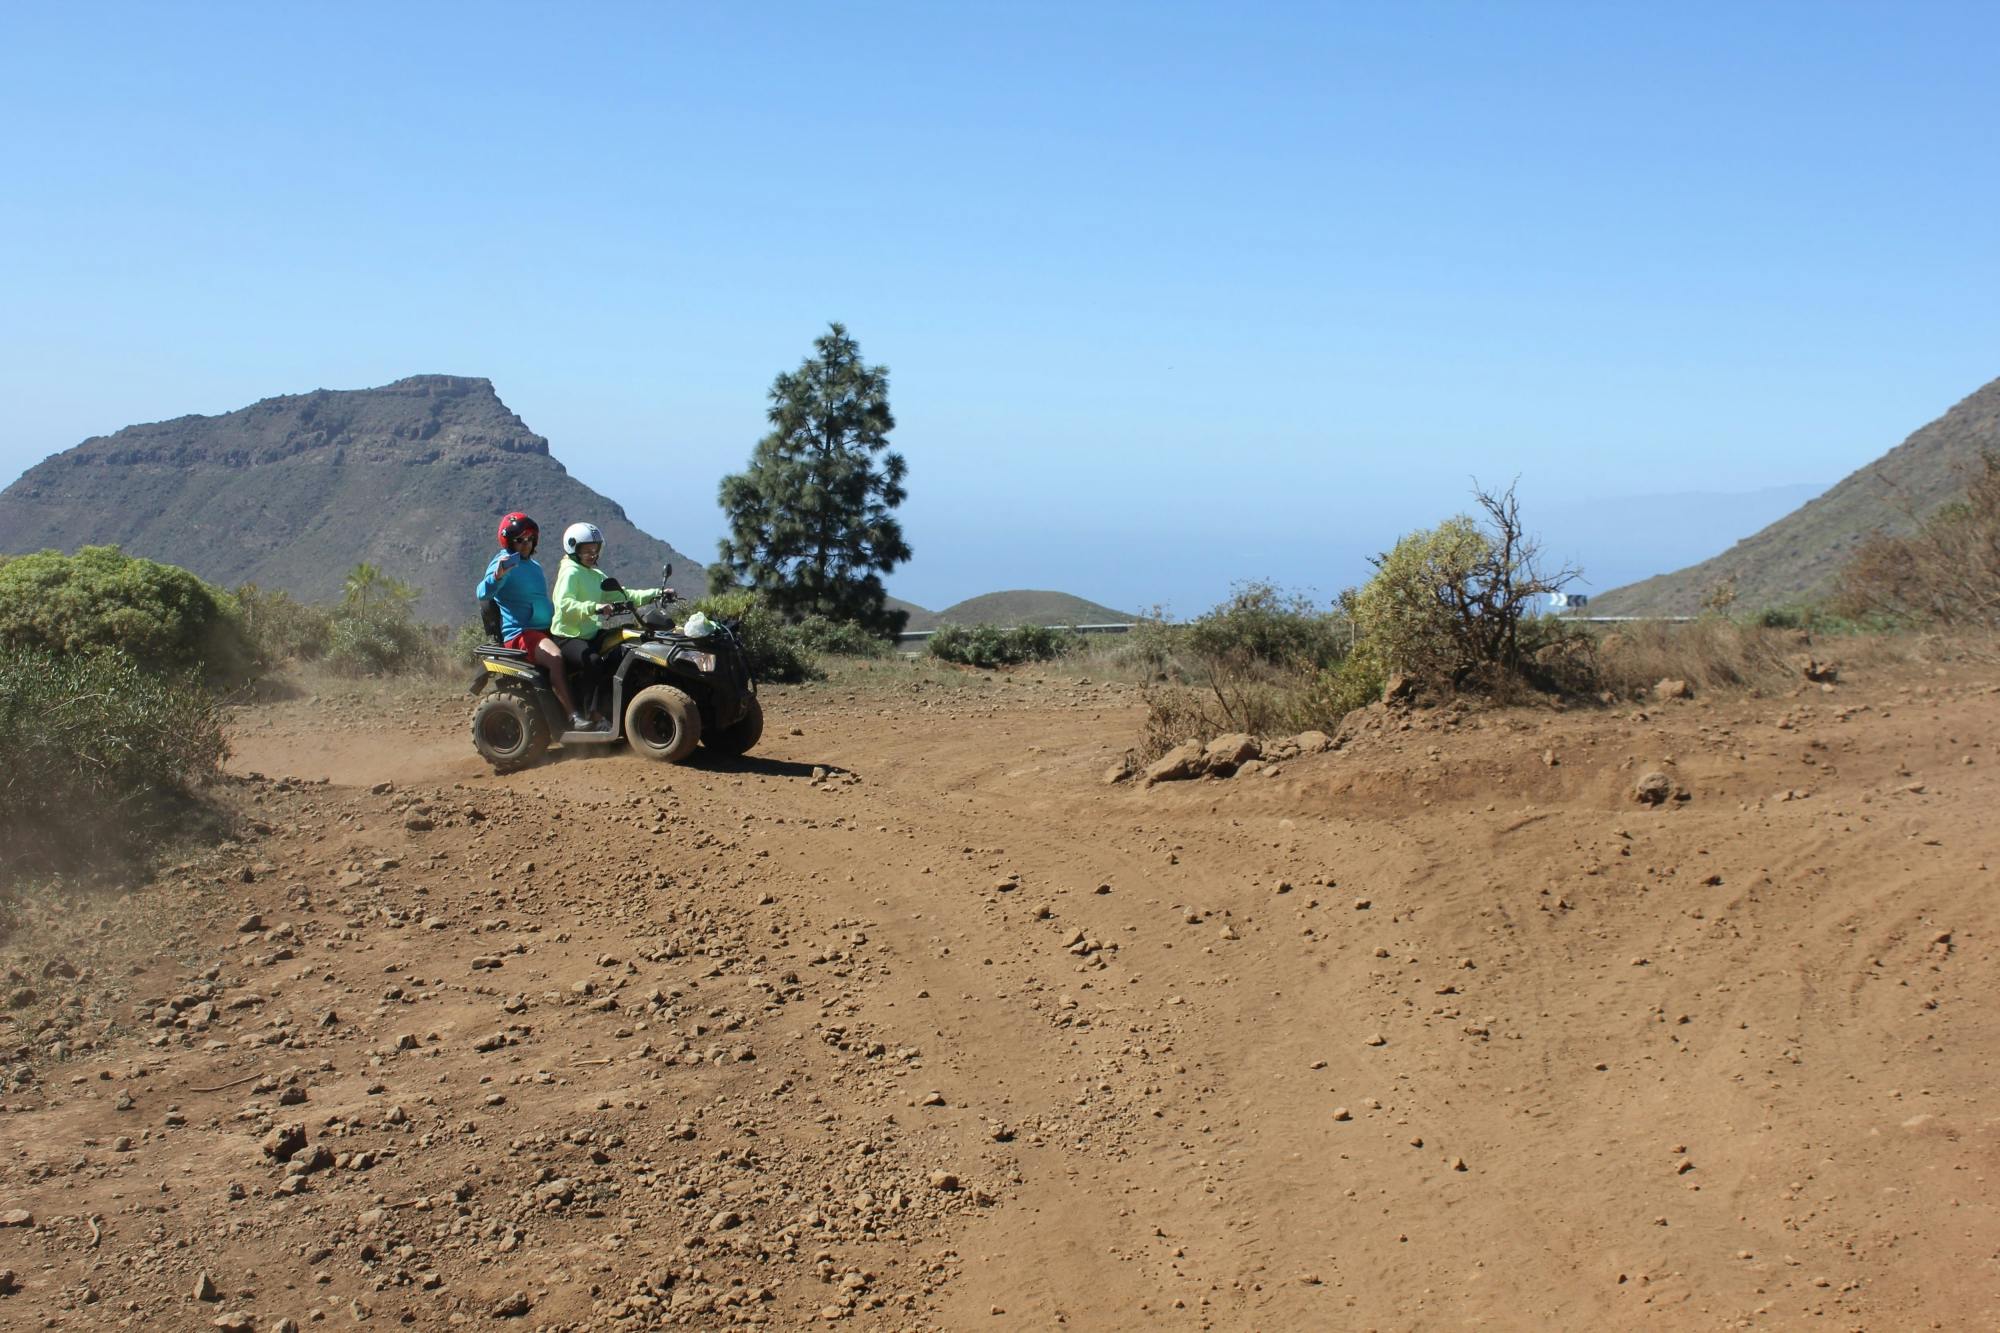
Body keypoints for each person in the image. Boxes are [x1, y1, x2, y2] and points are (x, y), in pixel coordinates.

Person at [476, 511, 593, 732]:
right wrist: (497, 576)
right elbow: (483, 592)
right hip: (521, 634)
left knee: (585, 652)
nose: (526, 544)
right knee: (556, 658)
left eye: (530, 539)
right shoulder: (504, 563)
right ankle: (573, 717)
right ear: (509, 541)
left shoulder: (534, 566)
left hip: (545, 630)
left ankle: (593, 709)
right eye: (519, 540)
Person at [551, 522, 665, 719]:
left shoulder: (595, 574)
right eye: (587, 550)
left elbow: (623, 594)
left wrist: (657, 593)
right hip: (567, 636)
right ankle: (591, 715)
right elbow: (564, 604)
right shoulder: (570, 572)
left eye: (595, 550)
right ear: (573, 549)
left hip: (591, 634)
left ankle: (614, 706)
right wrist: (593, 607)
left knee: (625, 645)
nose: (592, 554)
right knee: (593, 662)